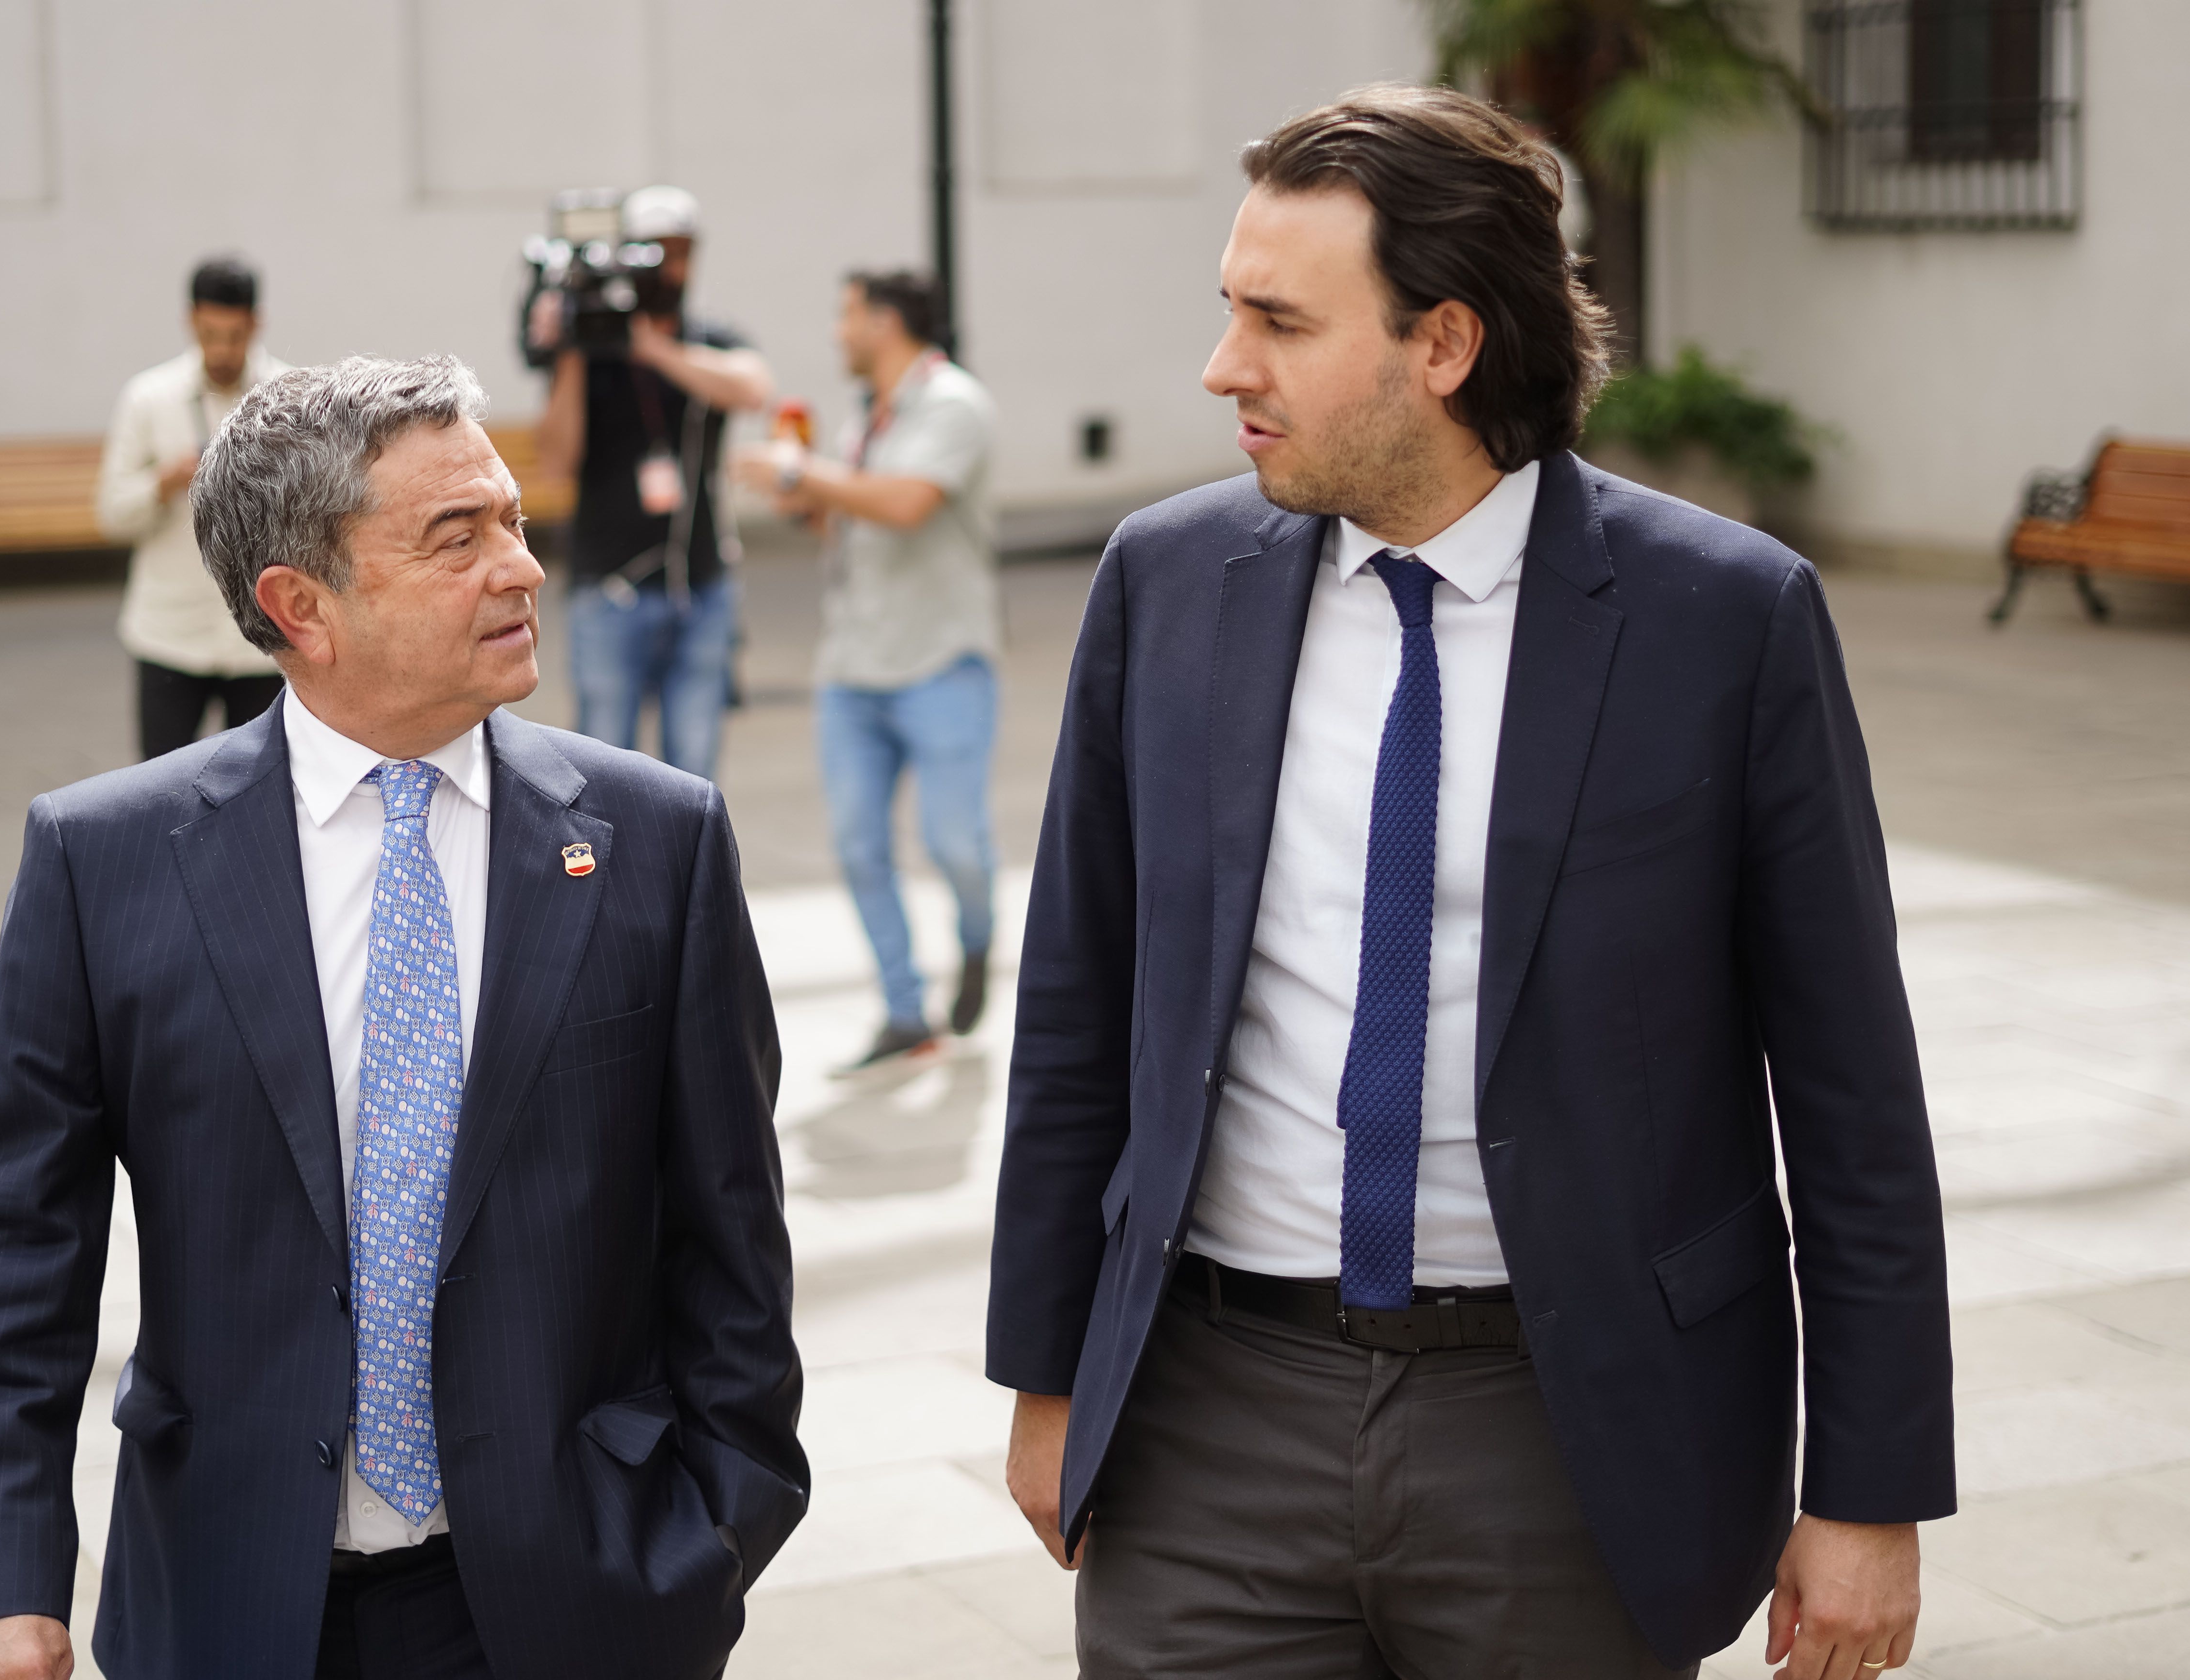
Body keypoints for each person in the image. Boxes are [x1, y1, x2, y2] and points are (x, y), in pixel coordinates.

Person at [988, 85, 1952, 1680]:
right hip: (1208, 1421)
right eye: (1227, 312)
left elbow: (1849, 1086)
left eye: (1277, 323)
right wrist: (1044, 1370)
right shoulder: (1163, 584)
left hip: (1574, 1431)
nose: (1224, 366)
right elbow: (1077, 1003)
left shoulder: (1725, 619)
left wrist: (1868, 1485)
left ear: (1440, 346)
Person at [0, 355, 806, 1680]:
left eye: (510, 517)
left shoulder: (655, 842)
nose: (523, 567)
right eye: (459, 536)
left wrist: (708, 1537)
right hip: (226, 1598)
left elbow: (729, 1235)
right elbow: (5, 1248)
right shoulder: (107, 860)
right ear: (300, 605)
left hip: (578, 1601)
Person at [735, 271, 1000, 1072]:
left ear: (885, 322)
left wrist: (796, 473)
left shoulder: (954, 404)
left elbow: (905, 505)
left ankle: (979, 940)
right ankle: (902, 1010)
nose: (837, 332)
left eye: (846, 316)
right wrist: (813, 496)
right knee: (858, 846)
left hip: (940, 661)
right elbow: (850, 522)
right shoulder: (865, 416)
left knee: (954, 842)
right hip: (852, 665)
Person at [535, 186, 773, 780]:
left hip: (702, 585)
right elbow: (557, 459)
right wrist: (573, 350)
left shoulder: (710, 339)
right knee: (602, 766)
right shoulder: (592, 353)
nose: (671, 267)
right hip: (609, 589)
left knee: (694, 767)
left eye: (681, 252)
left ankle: (683, 875)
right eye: (656, 252)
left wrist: (653, 348)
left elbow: (753, 387)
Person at [97, 256, 288, 759]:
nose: (222, 349)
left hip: (261, 639)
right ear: (191, 321)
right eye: (209, 334)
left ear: (256, 323)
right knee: (159, 792)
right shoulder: (148, 399)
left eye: (235, 335)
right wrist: (163, 483)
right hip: (169, 636)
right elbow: (112, 515)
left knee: (263, 794)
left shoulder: (290, 397)